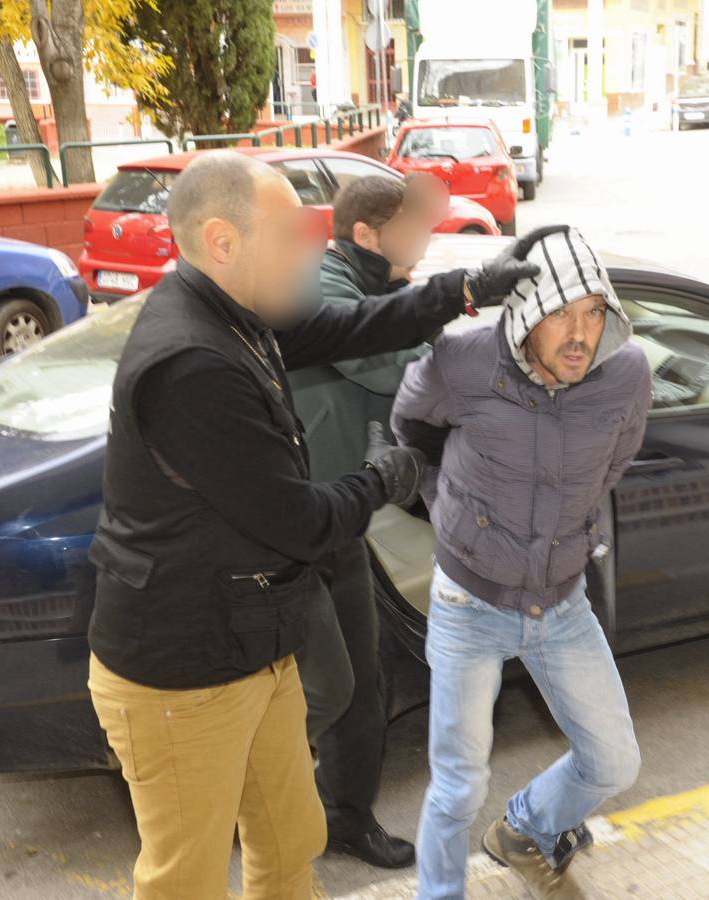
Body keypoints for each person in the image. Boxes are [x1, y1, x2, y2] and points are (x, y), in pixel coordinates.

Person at [85, 150, 541, 900]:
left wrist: (462, 288)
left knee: (290, 841)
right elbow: (297, 521)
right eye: (291, 234)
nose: (310, 250)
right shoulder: (192, 362)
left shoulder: (234, 313)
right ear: (224, 243)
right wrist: (383, 478)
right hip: (181, 674)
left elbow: (351, 326)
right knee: (185, 882)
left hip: (250, 646)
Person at [392, 226, 652, 899]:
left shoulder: (626, 375)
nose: (580, 334)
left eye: (594, 312)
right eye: (561, 312)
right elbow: (411, 429)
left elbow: (613, 463)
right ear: (524, 313)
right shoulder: (461, 363)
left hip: (561, 604)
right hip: (467, 605)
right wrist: (446, 511)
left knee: (615, 760)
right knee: (458, 783)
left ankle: (527, 827)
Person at [288, 173, 447, 869]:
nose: (426, 240)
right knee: (318, 689)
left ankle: (345, 817)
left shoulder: (374, 284)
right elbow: (393, 370)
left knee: (362, 679)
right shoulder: (324, 290)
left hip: (342, 519)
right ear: (364, 234)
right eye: (413, 229)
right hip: (292, 527)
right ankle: (256, 799)